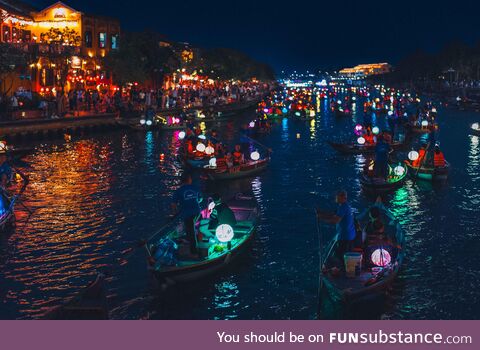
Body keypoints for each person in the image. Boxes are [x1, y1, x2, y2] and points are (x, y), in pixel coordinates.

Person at [317, 190, 356, 258]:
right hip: (350, 235)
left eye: (337, 196)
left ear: (341, 198)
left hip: (345, 237)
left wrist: (322, 219)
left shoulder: (343, 207)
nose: (335, 197)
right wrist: (322, 214)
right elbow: (334, 214)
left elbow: (335, 220)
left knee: (341, 256)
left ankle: (341, 267)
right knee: (345, 254)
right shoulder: (344, 206)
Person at [171, 173, 201, 255]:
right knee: (190, 228)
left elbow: (173, 205)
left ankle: (194, 251)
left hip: (187, 214)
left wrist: (175, 213)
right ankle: (191, 241)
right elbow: (199, 198)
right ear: (189, 180)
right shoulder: (195, 188)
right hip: (197, 212)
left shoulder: (178, 191)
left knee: (191, 230)